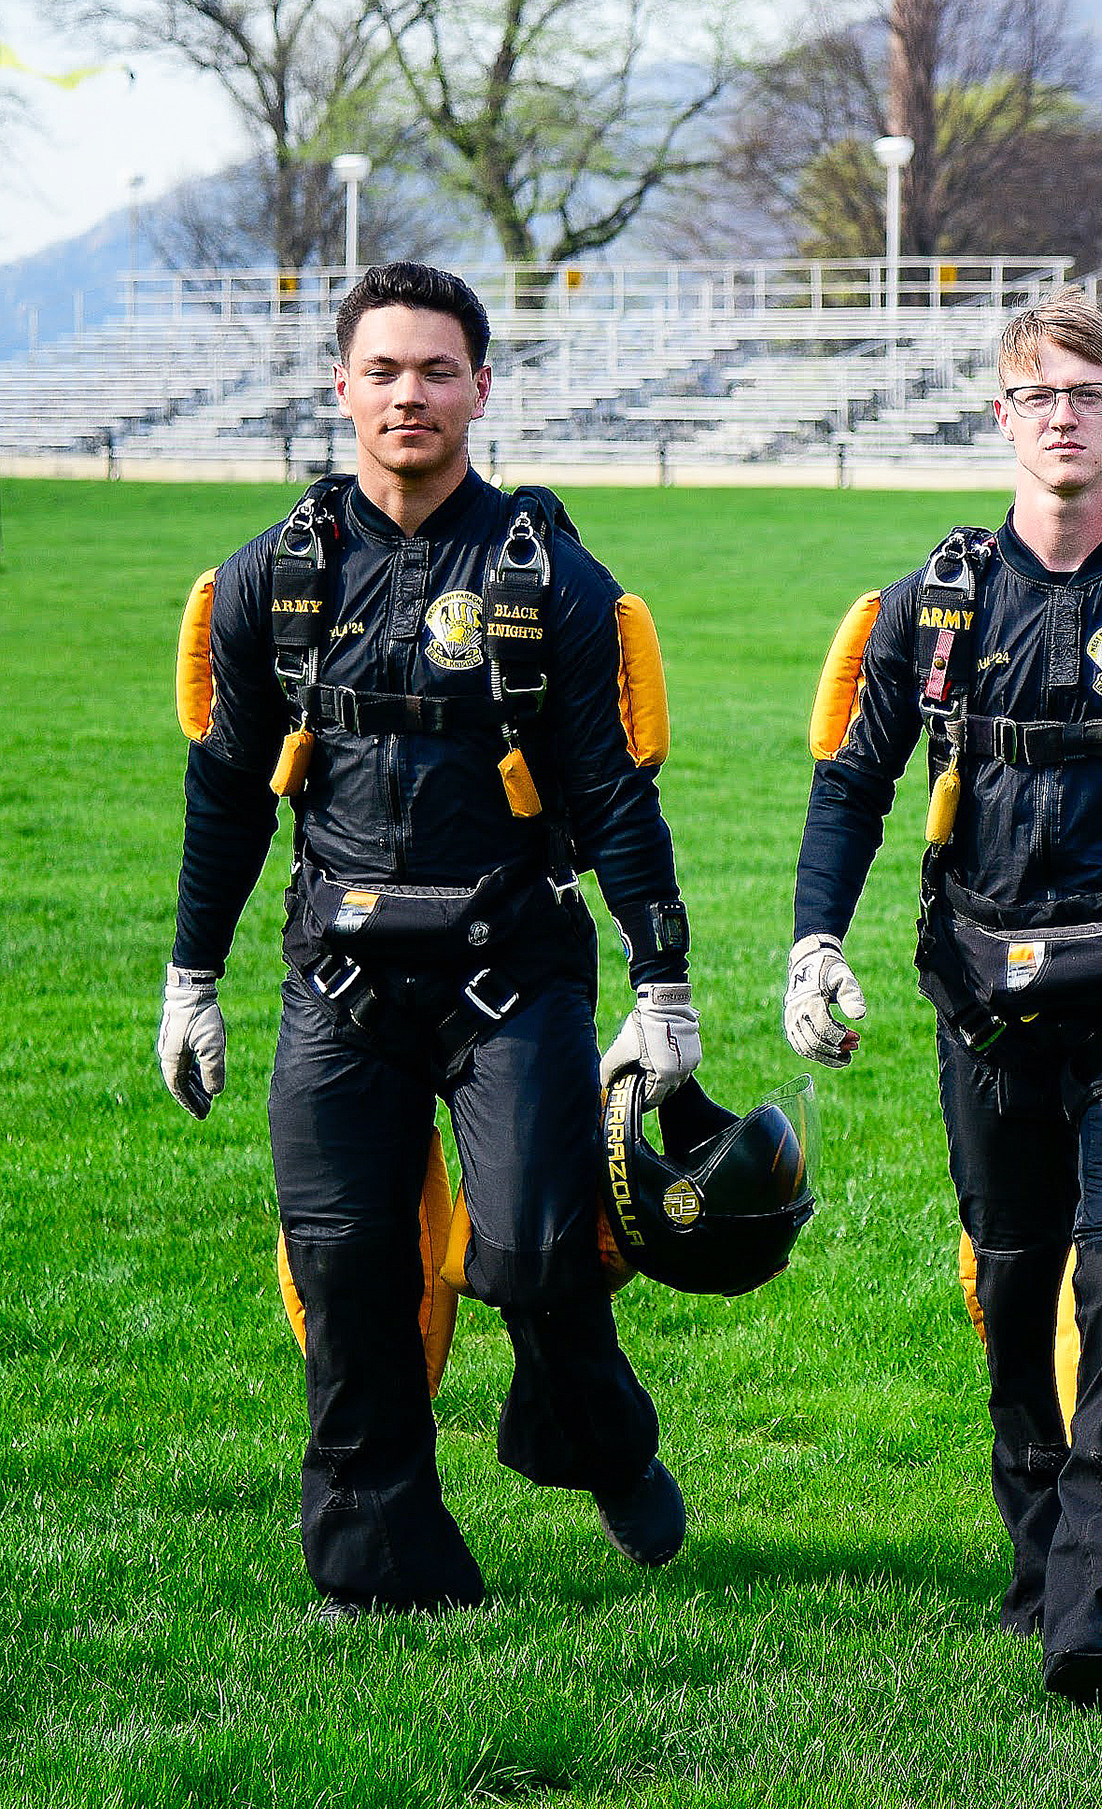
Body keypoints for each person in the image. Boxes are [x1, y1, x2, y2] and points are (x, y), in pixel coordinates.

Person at [157, 262, 701, 1612]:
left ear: (481, 391)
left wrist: (665, 982)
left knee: (532, 1255)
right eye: (384, 371)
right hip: (336, 985)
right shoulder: (266, 583)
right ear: (341, 388)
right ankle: (380, 1567)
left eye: (437, 371)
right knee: (348, 1275)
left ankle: (595, 1437)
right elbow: (226, 794)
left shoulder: (550, 582)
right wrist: (190, 980)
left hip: (510, 974)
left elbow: (613, 791)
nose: (411, 396)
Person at [784, 288, 1102, 1708]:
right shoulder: (936, 603)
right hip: (984, 1005)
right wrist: (813, 940)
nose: (1064, 416)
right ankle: (1042, 1552)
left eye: (1090, 391)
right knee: (1015, 1296)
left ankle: (1100, 1611)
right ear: (1000, 420)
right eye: (1039, 396)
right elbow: (851, 780)